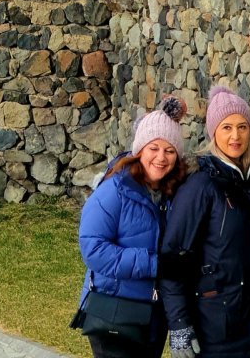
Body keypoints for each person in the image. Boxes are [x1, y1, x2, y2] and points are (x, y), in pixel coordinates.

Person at [158, 85, 250, 358]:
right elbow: (172, 259)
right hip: (215, 325)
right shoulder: (200, 186)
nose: (235, 136)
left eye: (242, 127)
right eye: (226, 128)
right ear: (214, 132)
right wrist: (179, 324)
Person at [77, 96, 189, 358]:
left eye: (169, 150)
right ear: (140, 149)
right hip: (114, 312)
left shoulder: (171, 193)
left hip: (150, 315)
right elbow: (94, 250)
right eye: (154, 148)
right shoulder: (115, 190)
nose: (161, 157)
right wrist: (154, 263)